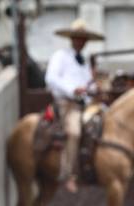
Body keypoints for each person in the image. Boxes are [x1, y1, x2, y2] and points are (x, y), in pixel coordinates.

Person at [44, 19, 104, 194]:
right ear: (72, 39)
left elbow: (86, 84)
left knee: (103, 122)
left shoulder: (84, 61)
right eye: (78, 38)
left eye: (84, 39)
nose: (81, 41)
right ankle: (68, 175)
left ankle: (92, 167)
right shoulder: (60, 56)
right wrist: (72, 90)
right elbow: (51, 78)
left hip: (83, 104)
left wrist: (94, 88)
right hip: (66, 104)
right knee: (74, 132)